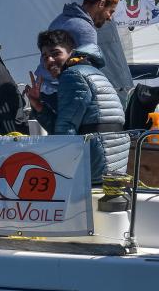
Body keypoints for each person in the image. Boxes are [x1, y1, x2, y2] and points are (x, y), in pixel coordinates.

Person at [26, 29, 129, 184]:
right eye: (45, 57)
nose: (50, 60)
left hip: (96, 165)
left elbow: (65, 130)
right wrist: (39, 106)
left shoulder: (72, 75)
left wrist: (58, 168)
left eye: (56, 53)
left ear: (71, 52)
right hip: (113, 160)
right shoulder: (91, 71)